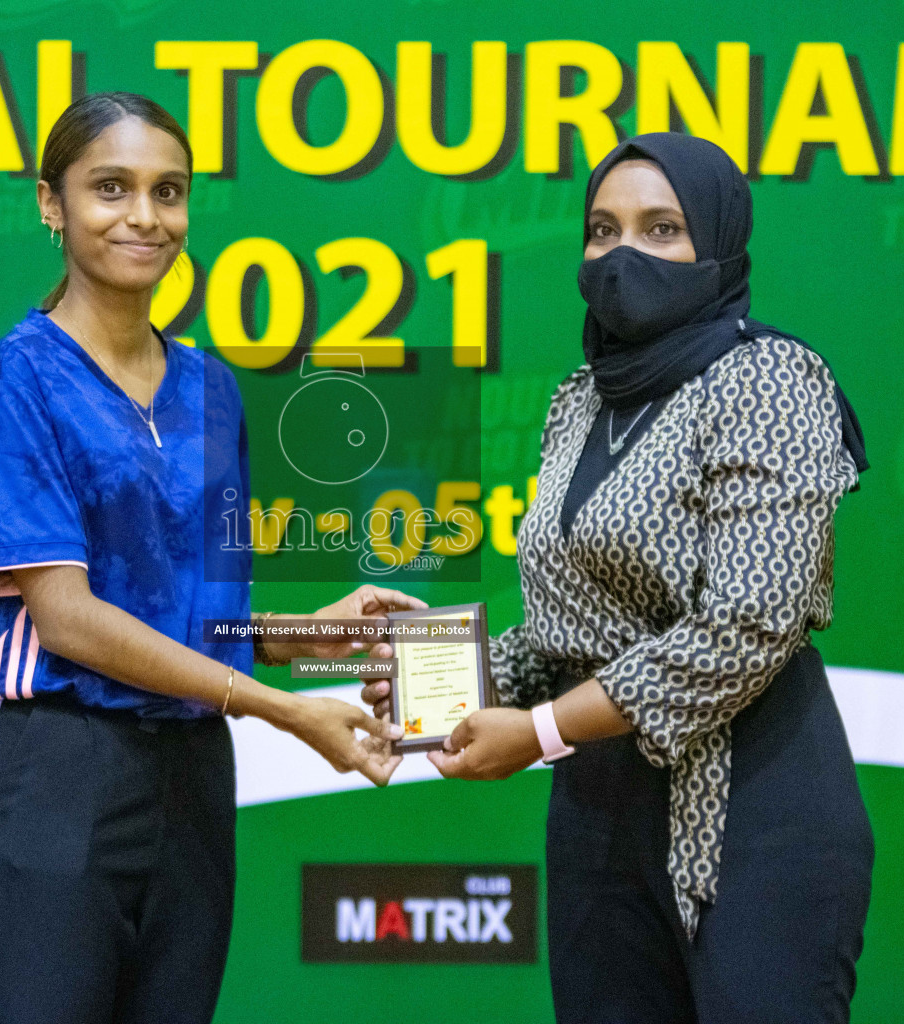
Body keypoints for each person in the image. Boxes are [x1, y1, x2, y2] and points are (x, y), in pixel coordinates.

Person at [363, 132, 874, 1022]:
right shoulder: (580, 398)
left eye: (662, 228)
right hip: (598, 818)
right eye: (602, 230)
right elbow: (571, 629)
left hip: (754, 809)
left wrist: (543, 729)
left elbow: (746, 628)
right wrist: (431, 677)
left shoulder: (770, 379)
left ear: (716, 243)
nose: (623, 254)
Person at [0, 92, 418, 1024]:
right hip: (57, 774)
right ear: (51, 203)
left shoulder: (213, 387)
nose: (144, 217)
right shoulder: (13, 379)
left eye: (170, 192)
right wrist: (280, 706)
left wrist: (305, 637)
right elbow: (68, 619)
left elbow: (198, 618)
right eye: (109, 188)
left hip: (194, 782)